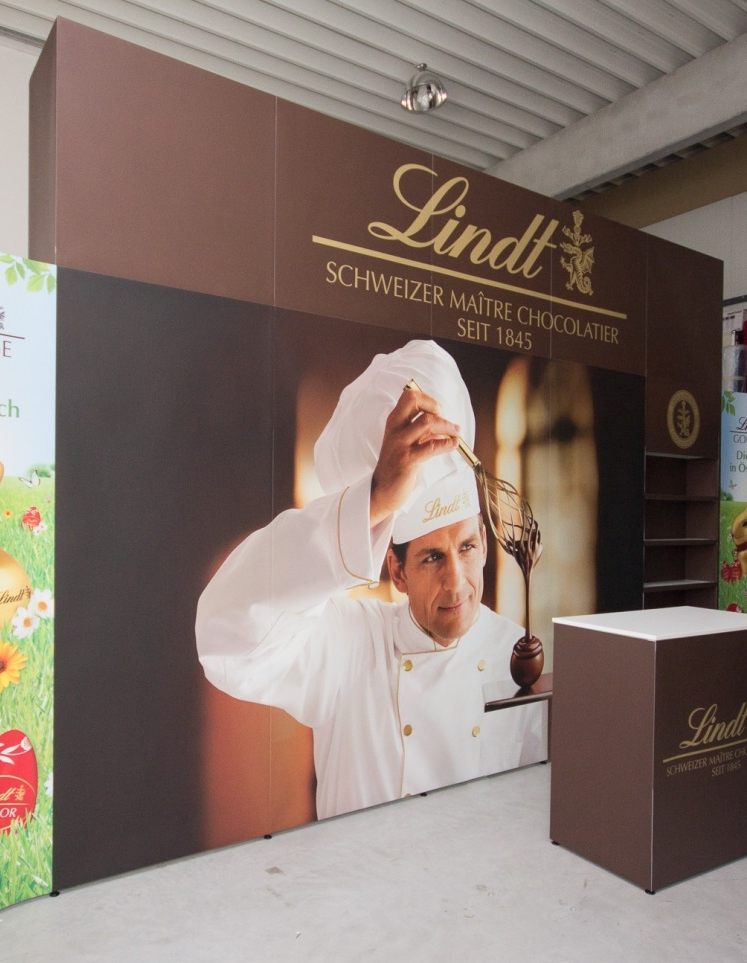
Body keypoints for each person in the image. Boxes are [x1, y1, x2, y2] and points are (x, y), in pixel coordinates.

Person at [195, 339, 546, 819]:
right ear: (397, 572)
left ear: (484, 542)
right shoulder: (350, 645)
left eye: (466, 548)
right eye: (431, 558)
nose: (456, 581)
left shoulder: (518, 656)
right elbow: (226, 635)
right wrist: (376, 499)